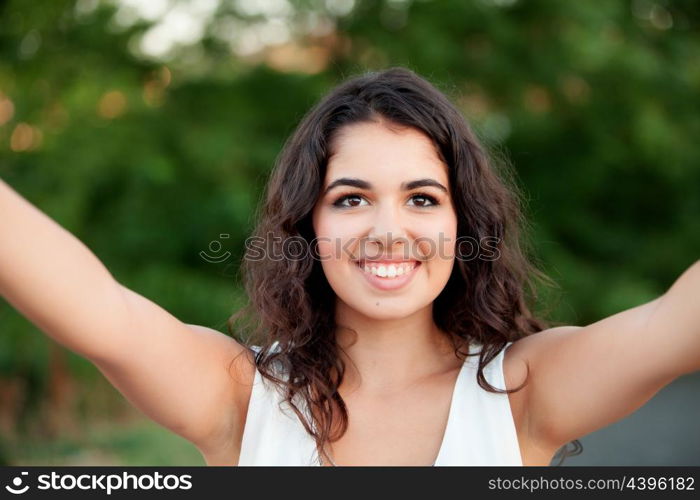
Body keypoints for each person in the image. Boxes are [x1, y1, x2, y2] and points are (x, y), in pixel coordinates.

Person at [0, 67, 698, 467]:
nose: (388, 231)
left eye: (422, 198)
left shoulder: (525, 387)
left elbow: (678, 321)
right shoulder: (240, 396)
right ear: (309, 225)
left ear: (462, 224)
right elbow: (101, 312)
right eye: (351, 198)